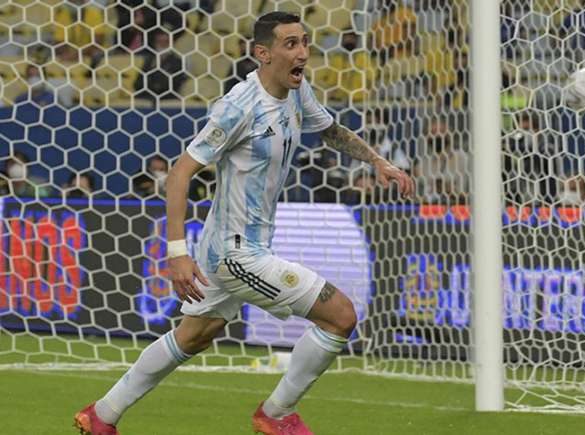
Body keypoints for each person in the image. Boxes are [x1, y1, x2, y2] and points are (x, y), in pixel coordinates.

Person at [74, 12, 414, 435]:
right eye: (291, 44)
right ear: (262, 53)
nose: (304, 53)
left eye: (305, 42)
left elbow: (330, 131)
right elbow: (180, 172)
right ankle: (275, 415)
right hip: (235, 254)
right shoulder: (239, 106)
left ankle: (101, 414)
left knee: (194, 336)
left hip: (239, 246)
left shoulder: (297, 90)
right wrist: (176, 252)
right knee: (340, 316)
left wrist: (376, 160)